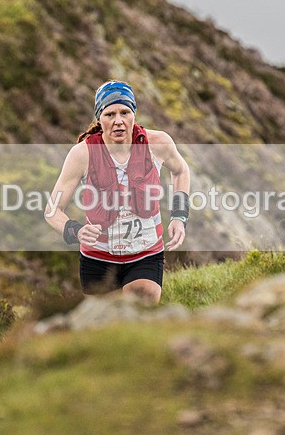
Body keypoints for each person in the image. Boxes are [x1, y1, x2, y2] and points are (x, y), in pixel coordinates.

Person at [45, 80, 191, 304]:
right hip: (98, 259)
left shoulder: (157, 143)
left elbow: (181, 171)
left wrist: (179, 217)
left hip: (146, 254)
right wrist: (74, 230)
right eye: (110, 114)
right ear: (99, 118)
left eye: (125, 112)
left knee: (141, 306)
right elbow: (52, 210)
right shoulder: (82, 154)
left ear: (134, 114)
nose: (119, 121)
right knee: (105, 327)